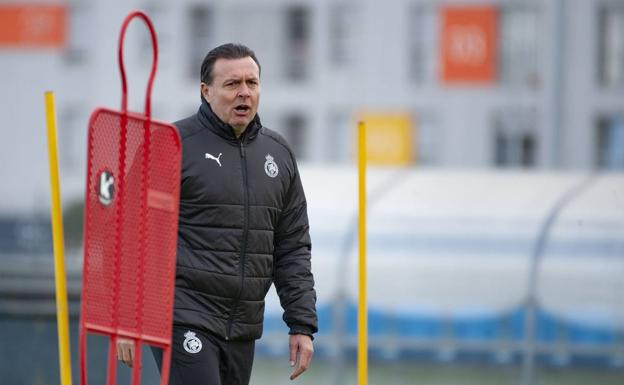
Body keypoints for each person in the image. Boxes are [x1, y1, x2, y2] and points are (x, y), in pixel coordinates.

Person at [117, 43, 317, 385]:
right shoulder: (170, 144)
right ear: (206, 92)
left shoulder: (278, 153)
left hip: (243, 324)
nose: (244, 93)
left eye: (252, 83)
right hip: (182, 313)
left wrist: (301, 324)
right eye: (232, 84)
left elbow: (292, 247)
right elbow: (129, 231)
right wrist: (124, 316)